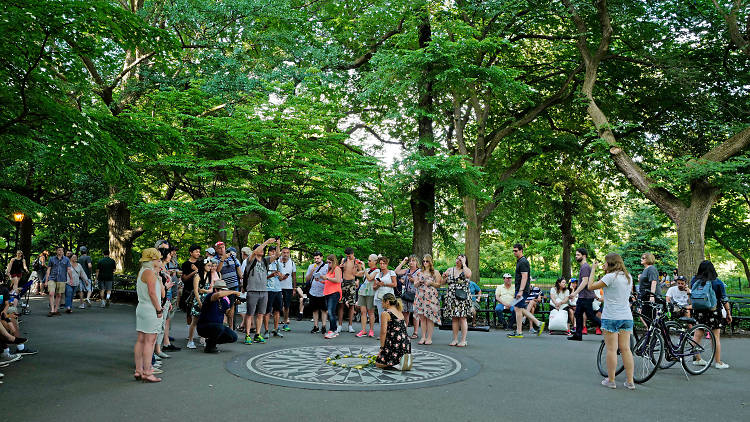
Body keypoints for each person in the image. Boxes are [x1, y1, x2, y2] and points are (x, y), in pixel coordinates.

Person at [588, 253, 635, 390]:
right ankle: (630, 381)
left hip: (611, 317)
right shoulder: (628, 277)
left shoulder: (609, 277)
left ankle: (611, 380)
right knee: (626, 349)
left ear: (610, 264)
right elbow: (618, 295)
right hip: (626, 316)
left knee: (611, 349)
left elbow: (590, 286)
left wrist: (593, 269)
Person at [690, 260, 732, 369]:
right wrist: (728, 313)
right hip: (713, 312)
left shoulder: (694, 280)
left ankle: (698, 359)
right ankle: (718, 362)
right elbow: (724, 299)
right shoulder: (717, 282)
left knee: (697, 335)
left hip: (698, 311)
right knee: (715, 337)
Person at [133, 248, 164, 383]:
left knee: (141, 339)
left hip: (141, 308)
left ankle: (139, 370)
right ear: (152, 260)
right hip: (150, 309)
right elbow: (153, 293)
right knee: (150, 341)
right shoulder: (150, 273)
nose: (160, 261)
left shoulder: (142, 272)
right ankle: (147, 372)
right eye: (158, 259)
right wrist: (158, 309)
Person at [242, 238, 279, 344]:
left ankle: (257, 334)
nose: (263, 250)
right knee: (250, 314)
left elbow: (276, 255)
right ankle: (248, 334)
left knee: (261, 314)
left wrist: (278, 244)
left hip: (264, 291)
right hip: (252, 290)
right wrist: (266, 242)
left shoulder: (265, 260)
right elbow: (254, 252)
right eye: (261, 248)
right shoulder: (250, 260)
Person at [508, 245, 545, 338]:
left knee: (518, 309)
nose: (514, 252)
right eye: (513, 251)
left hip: (522, 290)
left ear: (521, 251)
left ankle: (519, 332)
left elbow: (524, 276)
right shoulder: (520, 261)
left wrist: (520, 291)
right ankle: (538, 323)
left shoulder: (523, 262)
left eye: (516, 251)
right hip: (520, 289)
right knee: (518, 308)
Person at [196, 280, 241, 353]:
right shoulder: (211, 296)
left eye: (224, 290)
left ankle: (210, 342)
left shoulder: (224, 301)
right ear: (216, 289)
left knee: (233, 337)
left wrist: (234, 305)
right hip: (203, 326)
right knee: (220, 327)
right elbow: (218, 295)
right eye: (222, 290)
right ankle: (210, 347)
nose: (224, 292)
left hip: (217, 327)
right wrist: (233, 292)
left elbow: (229, 314)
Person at [567, 247, 599, 341]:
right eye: (576, 255)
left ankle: (608, 330)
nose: (576, 257)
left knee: (590, 316)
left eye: (578, 255)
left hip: (586, 296)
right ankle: (578, 335)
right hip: (584, 296)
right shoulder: (584, 266)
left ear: (584, 256)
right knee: (578, 314)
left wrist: (575, 293)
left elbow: (585, 281)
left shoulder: (585, 267)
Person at [375, 293, 412, 370]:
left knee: (378, 364)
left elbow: (383, 332)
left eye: (382, 301)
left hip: (395, 343)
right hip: (405, 343)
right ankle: (399, 361)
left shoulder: (385, 313)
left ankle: (395, 364)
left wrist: (382, 348)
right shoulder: (399, 311)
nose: (381, 303)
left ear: (387, 302)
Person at [442, 255, 472, 346]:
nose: (458, 261)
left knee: (462, 318)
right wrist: (444, 277)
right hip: (452, 296)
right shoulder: (450, 269)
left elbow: (468, 275)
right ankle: (455, 339)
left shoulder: (466, 269)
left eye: (461, 259)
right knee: (454, 318)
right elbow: (442, 283)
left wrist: (464, 264)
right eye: (457, 259)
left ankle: (463, 340)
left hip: (462, 296)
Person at [187, 258, 216, 349]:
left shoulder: (209, 275)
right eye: (208, 265)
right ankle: (190, 340)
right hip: (198, 300)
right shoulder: (197, 276)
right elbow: (196, 291)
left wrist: (205, 291)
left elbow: (212, 289)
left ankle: (203, 338)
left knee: (206, 321)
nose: (210, 267)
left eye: (211, 265)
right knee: (194, 321)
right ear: (203, 266)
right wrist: (199, 302)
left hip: (207, 300)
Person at [414, 255, 441, 345]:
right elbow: (415, 284)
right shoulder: (419, 272)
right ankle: (423, 337)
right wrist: (419, 282)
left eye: (427, 261)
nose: (425, 263)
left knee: (429, 318)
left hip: (431, 297)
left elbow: (438, 284)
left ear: (430, 262)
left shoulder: (435, 272)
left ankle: (429, 338)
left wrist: (431, 283)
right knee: (422, 318)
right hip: (421, 296)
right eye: (423, 261)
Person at [215, 241, 242, 331]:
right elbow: (217, 270)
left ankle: (231, 328)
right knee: (222, 306)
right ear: (216, 249)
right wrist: (222, 259)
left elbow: (238, 268)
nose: (222, 249)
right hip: (223, 287)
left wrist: (242, 280)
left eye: (223, 247)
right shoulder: (215, 259)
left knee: (232, 306)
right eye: (219, 248)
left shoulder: (233, 257)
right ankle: (222, 327)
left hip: (234, 285)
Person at [339, 247, 363, 333]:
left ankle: (350, 325)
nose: (348, 257)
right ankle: (340, 325)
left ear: (353, 254)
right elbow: (339, 270)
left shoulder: (356, 261)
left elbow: (361, 273)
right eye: (347, 256)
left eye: (349, 256)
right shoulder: (344, 260)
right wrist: (340, 267)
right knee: (341, 304)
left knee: (351, 304)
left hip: (352, 283)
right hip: (343, 283)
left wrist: (357, 278)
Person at [395, 255, 420, 337]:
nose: (411, 262)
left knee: (415, 314)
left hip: (416, 294)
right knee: (405, 312)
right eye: (410, 261)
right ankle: (404, 330)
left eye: (413, 261)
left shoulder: (419, 271)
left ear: (417, 262)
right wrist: (403, 261)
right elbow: (396, 271)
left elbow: (421, 281)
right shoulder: (406, 270)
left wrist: (413, 280)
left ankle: (415, 332)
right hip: (406, 294)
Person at [180, 245, 203, 329]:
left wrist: (197, 269)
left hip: (200, 290)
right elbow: (184, 279)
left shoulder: (201, 263)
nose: (198, 253)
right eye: (196, 251)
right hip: (188, 290)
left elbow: (203, 276)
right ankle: (189, 332)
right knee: (189, 312)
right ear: (191, 253)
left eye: (199, 252)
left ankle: (201, 333)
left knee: (200, 311)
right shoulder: (186, 264)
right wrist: (194, 272)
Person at [305, 251, 328, 334]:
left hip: (323, 291)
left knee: (324, 310)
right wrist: (312, 271)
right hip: (313, 291)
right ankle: (316, 326)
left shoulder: (326, 266)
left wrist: (322, 277)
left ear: (321, 257)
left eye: (318, 258)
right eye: (315, 258)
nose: (316, 260)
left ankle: (324, 326)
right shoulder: (311, 266)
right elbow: (307, 279)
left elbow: (329, 278)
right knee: (314, 310)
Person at [356, 254, 379, 338]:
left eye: (369, 260)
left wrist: (364, 267)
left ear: (375, 261)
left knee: (371, 312)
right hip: (363, 292)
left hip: (371, 293)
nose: (368, 262)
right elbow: (356, 274)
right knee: (363, 312)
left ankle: (371, 330)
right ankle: (363, 330)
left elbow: (369, 278)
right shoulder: (367, 269)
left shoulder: (377, 271)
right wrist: (356, 265)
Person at [45, 247, 72, 317]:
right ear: (56, 251)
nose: (60, 251)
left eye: (62, 250)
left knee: (59, 295)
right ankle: (52, 310)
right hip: (52, 278)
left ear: (63, 251)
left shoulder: (66, 259)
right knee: (51, 293)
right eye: (59, 250)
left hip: (62, 279)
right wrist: (46, 280)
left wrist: (71, 279)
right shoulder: (52, 259)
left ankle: (56, 310)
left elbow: (69, 269)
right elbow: (48, 270)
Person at [321, 254, 343, 339]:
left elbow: (337, 280)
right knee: (330, 312)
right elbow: (329, 281)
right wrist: (321, 280)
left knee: (331, 312)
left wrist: (326, 278)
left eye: (329, 262)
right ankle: (334, 329)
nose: (328, 264)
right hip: (328, 292)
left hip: (334, 293)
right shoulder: (330, 270)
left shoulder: (337, 269)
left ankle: (333, 330)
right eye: (327, 262)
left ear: (333, 262)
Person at [264, 246, 284, 338]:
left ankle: (276, 329)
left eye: (275, 252)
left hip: (278, 289)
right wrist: (271, 275)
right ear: (268, 253)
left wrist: (280, 275)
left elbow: (281, 278)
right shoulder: (265, 262)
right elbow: (261, 277)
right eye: (272, 252)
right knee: (267, 311)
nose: (273, 253)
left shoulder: (278, 263)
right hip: (268, 289)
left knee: (277, 310)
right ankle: (266, 330)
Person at [277, 246, 297, 331]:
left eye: (287, 252)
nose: (285, 254)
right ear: (281, 253)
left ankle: (285, 323)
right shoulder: (277, 261)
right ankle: (276, 325)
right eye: (284, 252)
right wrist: (280, 277)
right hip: (277, 287)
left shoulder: (292, 263)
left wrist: (294, 288)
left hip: (288, 287)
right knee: (277, 306)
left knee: (287, 306)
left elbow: (294, 276)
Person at [638, 252, 660, 320]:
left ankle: (656, 330)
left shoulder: (651, 268)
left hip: (650, 296)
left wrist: (652, 296)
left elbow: (654, 282)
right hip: (645, 296)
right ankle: (650, 330)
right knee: (644, 315)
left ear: (648, 259)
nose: (641, 259)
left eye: (643, 258)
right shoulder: (646, 269)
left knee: (649, 317)